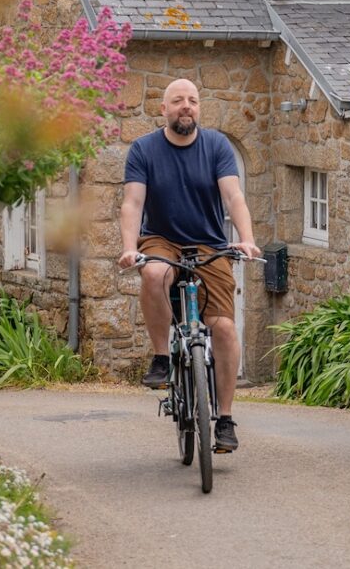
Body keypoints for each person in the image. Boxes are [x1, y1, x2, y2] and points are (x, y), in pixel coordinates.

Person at [118, 78, 262, 452]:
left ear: (199, 108)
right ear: (163, 109)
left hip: (208, 243)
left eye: (193, 100)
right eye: (178, 101)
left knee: (225, 329)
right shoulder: (144, 149)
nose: (186, 106)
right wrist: (128, 247)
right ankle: (162, 358)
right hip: (161, 239)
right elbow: (133, 203)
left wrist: (246, 238)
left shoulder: (216, 146)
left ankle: (226, 418)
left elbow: (233, 196)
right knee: (153, 272)